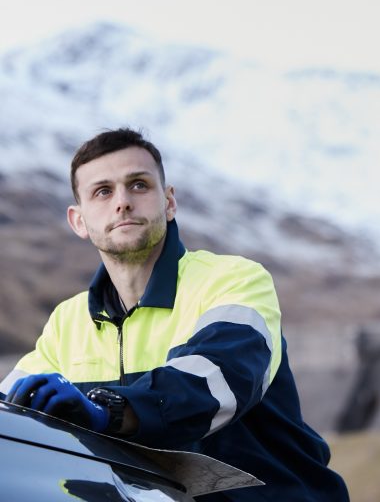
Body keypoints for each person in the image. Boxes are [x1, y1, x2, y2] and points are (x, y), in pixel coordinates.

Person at [0, 127, 350, 501]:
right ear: (79, 221)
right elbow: (9, 418)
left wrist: (107, 411)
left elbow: (216, 381)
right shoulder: (66, 323)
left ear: (168, 202)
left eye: (138, 185)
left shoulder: (234, 280)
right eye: (103, 191)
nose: (122, 202)